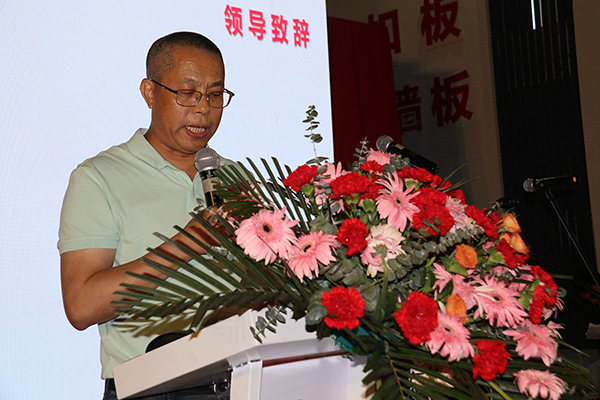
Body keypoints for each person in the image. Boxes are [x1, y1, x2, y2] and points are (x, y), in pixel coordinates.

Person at [58, 32, 236, 399]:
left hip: (243, 381)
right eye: (187, 93)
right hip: (152, 389)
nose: (203, 109)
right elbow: (80, 305)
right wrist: (188, 243)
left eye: (215, 95)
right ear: (150, 92)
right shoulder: (99, 177)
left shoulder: (237, 177)